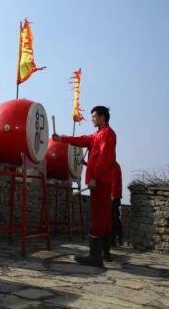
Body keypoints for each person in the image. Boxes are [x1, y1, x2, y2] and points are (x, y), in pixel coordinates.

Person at [53, 106, 116, 268]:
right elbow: (80, 140)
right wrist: (61, 138)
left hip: (101, 182)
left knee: (99, 217)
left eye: (94, 116)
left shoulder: (107, 135)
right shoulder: (96, 136)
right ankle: (97, 253)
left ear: (102, 117)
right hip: (97, 183)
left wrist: (95, 177)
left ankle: (96, 256)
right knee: (98, 216)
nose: (93, 119)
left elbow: (104, 158)